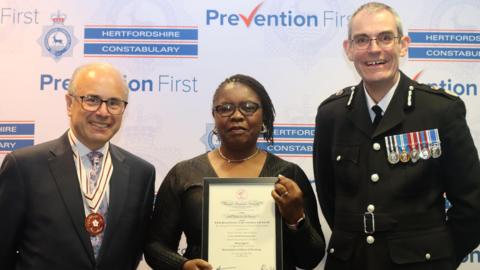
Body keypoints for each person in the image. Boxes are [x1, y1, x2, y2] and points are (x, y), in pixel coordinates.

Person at [313, 2, 480, 270]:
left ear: (403, 45)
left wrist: (441, 257)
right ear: (349, 49)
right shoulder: (332, 115)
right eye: (362, 39)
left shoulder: (440, 111)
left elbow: (472, 204)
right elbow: (330, 199)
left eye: (385, 37)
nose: (374, 48)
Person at [145, 74, 325, 270]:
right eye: (225, 108)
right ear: (214, 116)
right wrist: (182, 265)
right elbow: (155, 246)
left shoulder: (288, 174)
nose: (237, 115)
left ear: (263, 115)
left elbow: (310, 259)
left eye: (248, 107)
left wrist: (296, 219)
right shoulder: (184, 174)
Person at [0, 62, 155, 270]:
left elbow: (133, 250)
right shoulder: (24, 167)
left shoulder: (141, 174)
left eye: (114, 103)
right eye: (91, 100)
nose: (103, 112)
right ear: (69, 103)